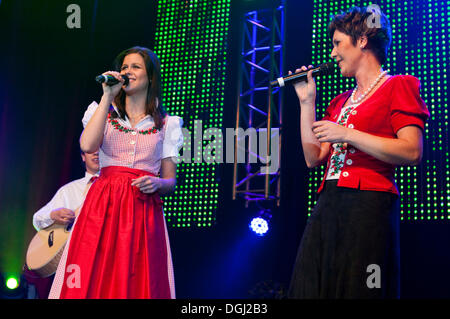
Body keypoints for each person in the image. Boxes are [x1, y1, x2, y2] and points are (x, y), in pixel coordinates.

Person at [288, 6, 429, 298]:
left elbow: (412, 150)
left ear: (362, 40)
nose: (332, 53)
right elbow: (313, 158)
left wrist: (348, 134)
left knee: (362, 286)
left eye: (337, 43)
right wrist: (306, 103)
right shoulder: (340, 101)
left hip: (369, 205)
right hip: (328, 204)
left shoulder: (398, 85)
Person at [48, 46, 183, 299]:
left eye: (135, 67)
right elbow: (87, 145)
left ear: (150, 77)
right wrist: (107, 97)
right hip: (103, 204)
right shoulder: (103, 112)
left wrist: (158, 184)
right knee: (91, 272)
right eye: (124, 67)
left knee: (137, 279)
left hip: (142, 209)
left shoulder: (168, 124)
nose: (127, 71)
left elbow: (170, 181)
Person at [24, 150, 99, 299]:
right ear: (83, 157)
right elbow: (37, 219)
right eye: (91, 151)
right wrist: (53, 215)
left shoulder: (119, 189)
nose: (96, 154)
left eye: (100, 150)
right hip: (74, 263)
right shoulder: (69, 190)